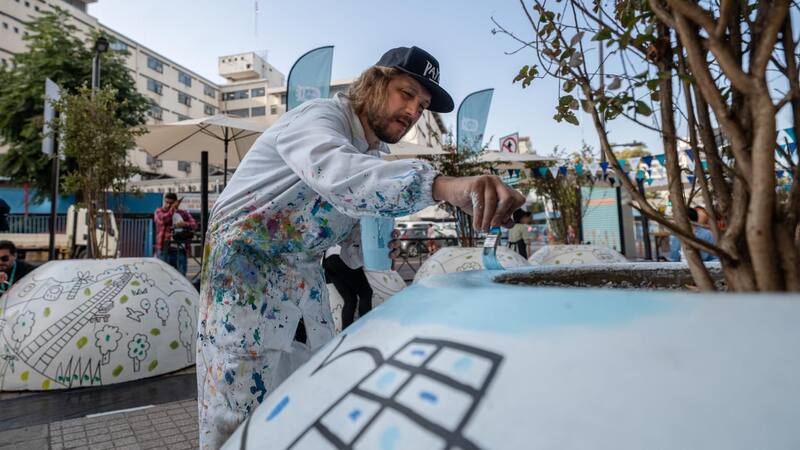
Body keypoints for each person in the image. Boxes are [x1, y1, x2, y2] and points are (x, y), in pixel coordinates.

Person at [196, 45, 525, 449]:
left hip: (302, 280)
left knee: (302, 397)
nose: (413, 112)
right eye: (406, 94)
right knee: (236, 410)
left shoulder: (374, 153)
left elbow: (361, 221)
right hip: (244, 275)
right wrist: (444, 186)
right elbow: (340, 173)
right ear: (374, 83)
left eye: (422, 107)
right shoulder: (318, 117)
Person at [323, 245, 373, 329]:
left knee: (350, 300)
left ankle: (346, 333)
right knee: (366, 293)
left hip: (329, 260)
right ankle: (366, 328)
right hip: (345, 255)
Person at [153, 193, 197, 276]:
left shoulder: (183, 213)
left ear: (176, 203)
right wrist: (172, 209)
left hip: (180, 249)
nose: (168, 205)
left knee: (181, 275)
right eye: (166, 202)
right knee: (163, 276)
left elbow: (194, 225)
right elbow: (164, 219)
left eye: (171, 203)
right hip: (164, 249)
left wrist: (185, 224)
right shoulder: (159, 211)